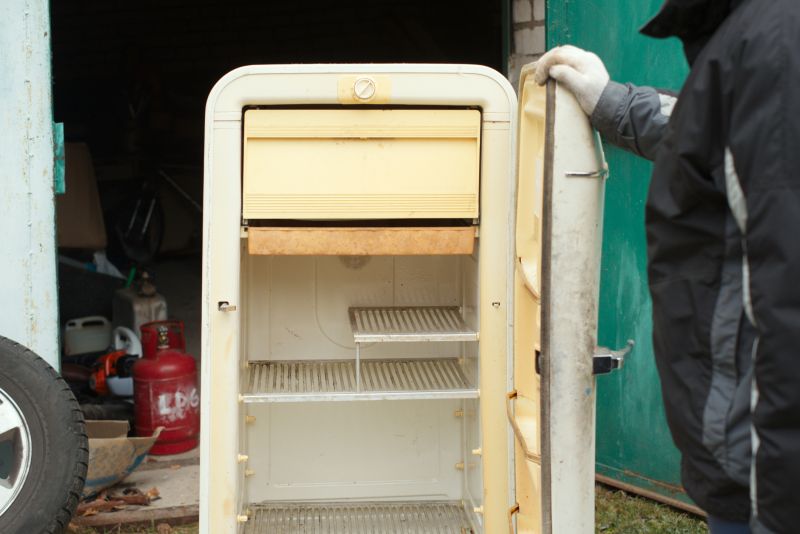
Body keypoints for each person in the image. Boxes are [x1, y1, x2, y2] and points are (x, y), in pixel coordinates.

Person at [532, 1, 800, 533]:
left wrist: (778, 501)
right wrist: (612, 101)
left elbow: (788, 292)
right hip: (750, 471)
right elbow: (719, 140)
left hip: (767, 481)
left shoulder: (775, 42)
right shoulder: (758, 41)